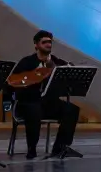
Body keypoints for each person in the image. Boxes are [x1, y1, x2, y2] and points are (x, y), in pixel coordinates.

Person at [10, 30, 81, 159]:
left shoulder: (55, 61)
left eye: (49, 42)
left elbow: (71, 69)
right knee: (34, 109)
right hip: (27, 103)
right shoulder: (26, 62)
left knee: (72, 109)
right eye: (44, 42)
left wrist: (62, 67)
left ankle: (60, 147)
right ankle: (32, 149)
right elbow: (14, 83)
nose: (48, 45)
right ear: (36, 45)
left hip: (48, 103)